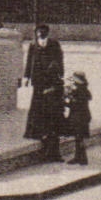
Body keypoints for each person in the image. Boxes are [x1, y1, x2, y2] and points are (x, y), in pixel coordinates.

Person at [22, 25, 65, 162]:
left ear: (47, 33)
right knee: (36, 105)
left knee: (49, 107)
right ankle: (33, 131)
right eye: (38, 32)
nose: (40, 34)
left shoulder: (54, 44)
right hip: (38, 79)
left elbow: (60, 59)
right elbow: (29, 61)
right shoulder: (33, 45)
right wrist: (27, 77)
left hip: (50, 78)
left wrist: (60, 73)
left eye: (43, 32)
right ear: (36, 33)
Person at [65, 72, 92, 165]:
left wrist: (67, 101)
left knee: (79, 137)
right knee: (78, 137)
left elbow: (76, 104)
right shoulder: (83, 89)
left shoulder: (80, 90)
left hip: (79, 117)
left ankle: (82, 158)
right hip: (83, 116)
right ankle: (79, 157)